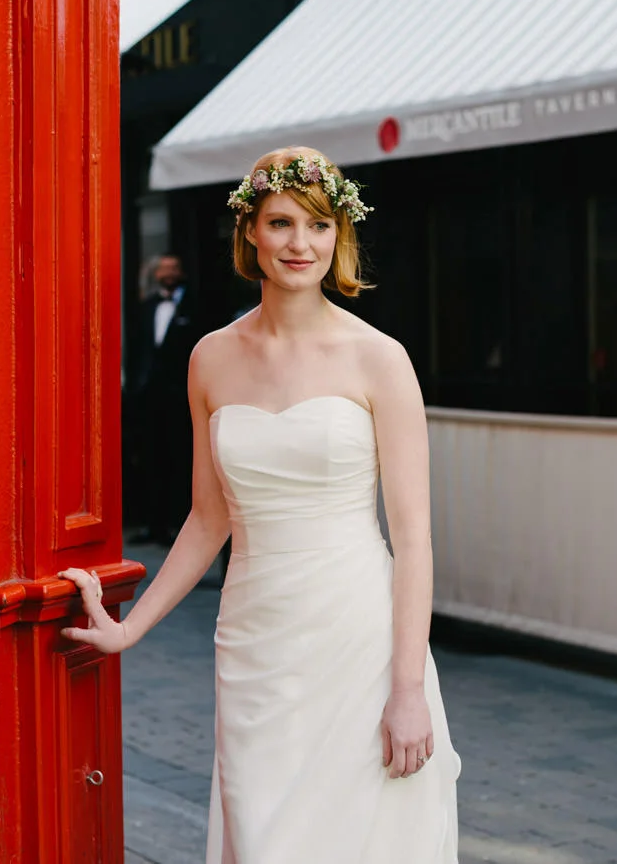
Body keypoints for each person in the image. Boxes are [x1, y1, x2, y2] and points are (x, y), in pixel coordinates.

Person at [61, 146, 460, 862]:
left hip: (357, 641)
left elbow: (413, 540)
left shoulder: (379, 358)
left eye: (317, 226)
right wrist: (129, 629)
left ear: (339, 235)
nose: (298, 244)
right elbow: (207, 519)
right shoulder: (210, 357)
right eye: (281, 223)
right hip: (254, 642)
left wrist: (408, 690)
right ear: (249, 231)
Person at [127, 252, 205, 544]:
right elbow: (138, 349)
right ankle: (154, 524)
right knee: (151, 459)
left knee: (181, 458)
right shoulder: (146, 307)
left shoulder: (194, 307)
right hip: (149, 398)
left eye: (173, 268)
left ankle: (179, 525)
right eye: (163, 269)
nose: (168, 273)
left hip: (182, 397)